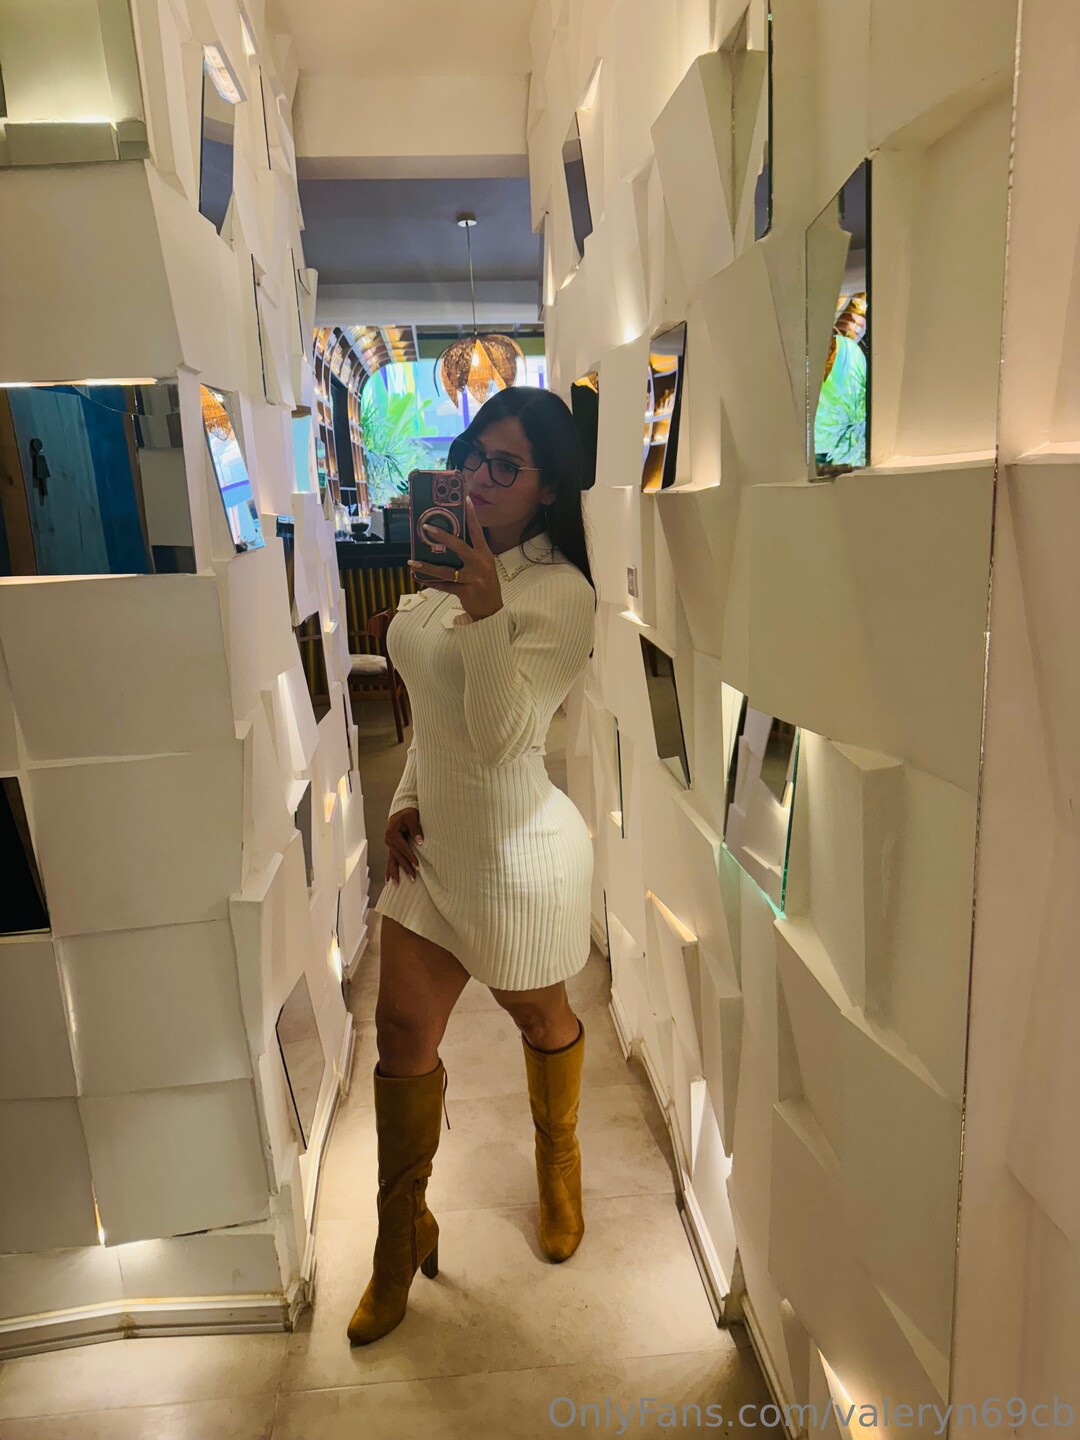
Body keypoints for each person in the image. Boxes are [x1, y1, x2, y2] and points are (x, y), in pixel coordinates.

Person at [347, 386, 598, 1346]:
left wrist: (488, 610)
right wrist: (403, 797)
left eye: (505, 466)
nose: (479, 478)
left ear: (548, 488)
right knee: (400, 1033)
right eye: (471, 457)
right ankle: (399, 1235)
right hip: (434, 849)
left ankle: (559, 1161)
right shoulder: (441, 564)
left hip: (515, 858)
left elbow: (500, 740)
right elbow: (435, 712)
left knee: (540, 1018)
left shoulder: (559, 595)